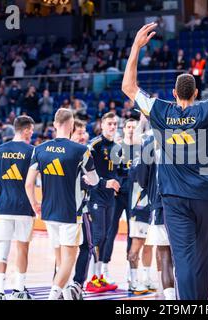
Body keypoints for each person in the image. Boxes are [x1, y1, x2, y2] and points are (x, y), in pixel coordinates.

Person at [121, 21, 208, 300]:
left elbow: (129, 87)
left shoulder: (159, 110)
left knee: (183, 261)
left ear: (174, 93)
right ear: (195, 93)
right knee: (204, 262)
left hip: (174, 198)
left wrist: (135, 47)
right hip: (206, 198)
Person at [25, 108, 99, 300]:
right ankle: (53, 295)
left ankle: (66, 295)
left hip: (49, 211)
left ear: (55, 124)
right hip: (70, 212)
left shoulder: (39, 149)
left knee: (59, 258)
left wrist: (34, 203)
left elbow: (28, 182)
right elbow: (95, 180)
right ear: (72, 125)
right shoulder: (81, 150)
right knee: (69, 259)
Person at [0, 116, 36, 300]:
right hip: (23, 207)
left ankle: (0, 292)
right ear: (24, 130)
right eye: (30, 130)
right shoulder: (32, 151)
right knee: (22, 249)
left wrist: (2, 177)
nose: (32, 133)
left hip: (3, 207)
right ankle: (18, 290)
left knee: (2, 251)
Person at [134, 132, 175, 300]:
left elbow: (142, 179)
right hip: (187, 204)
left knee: (164, 254)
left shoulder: (150, 141)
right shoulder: (189, 134)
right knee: (184, 254)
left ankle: (170, 297)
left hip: (160, 203)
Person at [85, 112, 121, 292]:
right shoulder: (94, 145)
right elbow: (85, 172)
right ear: (102, 124)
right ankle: (89, 277)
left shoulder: (117, 146)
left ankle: (98, 276)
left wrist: (115, 184)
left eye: (115, 124)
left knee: (106, 236)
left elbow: (116, 172)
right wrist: (105, 183)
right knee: (97, 236)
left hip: (109, 198)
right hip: (95, 196)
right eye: (109, 124)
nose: (113, 127)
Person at [102, 118, 141, 283]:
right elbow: (111, 172)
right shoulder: (117, 149)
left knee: (134, 234)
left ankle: (131, 272)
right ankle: (103, 268)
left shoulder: (141, 149)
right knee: (111, 231)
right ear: (124, 129)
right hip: (118, 196)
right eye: (129, 127)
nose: (131, 129)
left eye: (134, 127)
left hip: (135, 196)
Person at [65, 119, 94, 299]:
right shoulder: (75, 153)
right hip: (73, 210)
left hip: (78, 207)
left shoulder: (84, 151)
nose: (82, 136)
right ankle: (75, 285)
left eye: (84, 133)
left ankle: (64, 285)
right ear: (70, 134)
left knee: (71, 248)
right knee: (84, 246)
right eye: (79, 133)